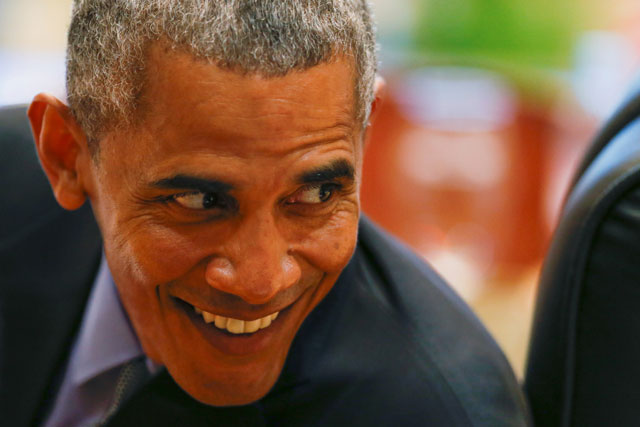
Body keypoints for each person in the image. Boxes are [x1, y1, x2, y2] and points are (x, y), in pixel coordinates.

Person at [0, 1, 530, 425]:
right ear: (67, 155)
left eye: (317, 195)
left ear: (364, 131)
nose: (260, 280)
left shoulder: (444, 411)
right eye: (200, 202)